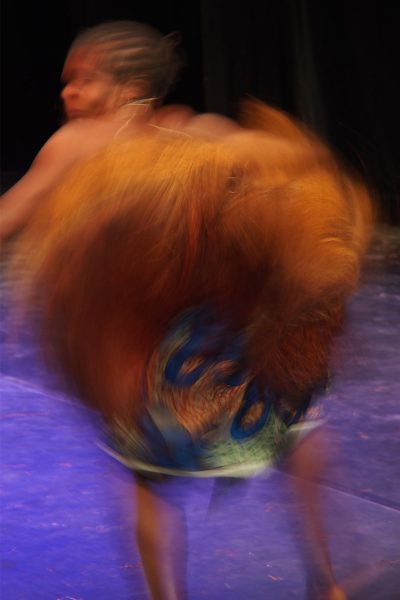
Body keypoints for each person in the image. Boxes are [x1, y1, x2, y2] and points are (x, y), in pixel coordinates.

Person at [2, 20, 373, 600]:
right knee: (297, 433)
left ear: (128, 87)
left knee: (147, 476)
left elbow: (10, 216)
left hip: (162, 350)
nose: (68, 95)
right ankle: (325, 582)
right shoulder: (206, 132)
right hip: (235, 339)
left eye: (83, 81)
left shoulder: (80, 145)